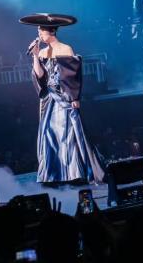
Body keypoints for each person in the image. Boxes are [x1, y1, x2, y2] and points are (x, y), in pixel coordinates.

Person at [24, 16, 106, 184]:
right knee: (48, 134)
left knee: (66, 134)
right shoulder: (42, 52)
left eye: (41, 31)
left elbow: (72, 75)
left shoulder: (65, 49)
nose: (39, 34)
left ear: (52, 31)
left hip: (64, 97)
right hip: (49, 99)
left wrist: (75, 97)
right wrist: (35, 56)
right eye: (38, 31)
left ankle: (73, 173)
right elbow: (40, 76)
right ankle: (53, 173)